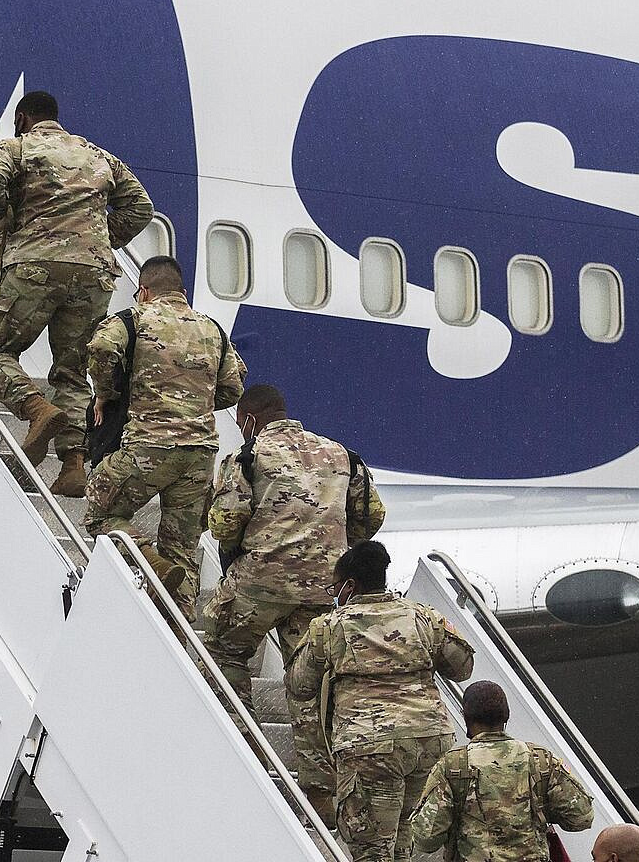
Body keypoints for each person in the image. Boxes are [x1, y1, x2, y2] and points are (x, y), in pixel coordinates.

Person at [202, 382, 385, 812]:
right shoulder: (341, 455)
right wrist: (331, 548)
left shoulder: (248, 456)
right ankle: (320, 788)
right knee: (307, 680)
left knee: (223, 647)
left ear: (249, 420)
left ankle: (242, 741)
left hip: (260, 582)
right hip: (324, 586)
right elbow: (372, 516)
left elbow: (225, 523)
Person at [0, 91, 154, 496]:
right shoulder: (99, 156)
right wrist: (97, 240)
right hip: (94, 274)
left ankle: (36, 409)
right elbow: (141, 207)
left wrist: (3, 218)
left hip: (34, 264)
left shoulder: (17, 147)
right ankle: (73, 466)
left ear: (22, 118)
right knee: (72, 371)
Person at [285, 540, 474, 860]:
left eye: (334, 588)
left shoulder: (330, 626)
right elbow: (463, 668)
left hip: (370, 746)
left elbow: (299, 684)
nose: (334, 596)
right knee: (404, 837)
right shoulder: (422, 616)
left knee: (372, 850)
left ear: (350, 586)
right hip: (430, 741)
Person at [82, 254, 244, 617]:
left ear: (143, 291)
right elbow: (233, 388)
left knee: (98, 514)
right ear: (182, 291)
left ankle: (146, 558)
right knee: (182, 551)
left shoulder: (135, 318)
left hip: (149, 447)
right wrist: (193, 401)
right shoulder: (213, 330)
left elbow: (102, 347)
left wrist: (107, 393)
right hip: (199, 456)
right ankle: (176, 634)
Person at [408, 681, 595, 861]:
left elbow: (426, 839)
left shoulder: (452, 765)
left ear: (465, 717)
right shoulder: (541, 760)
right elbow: (582, 818)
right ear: (506, 716)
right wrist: (539, 809)